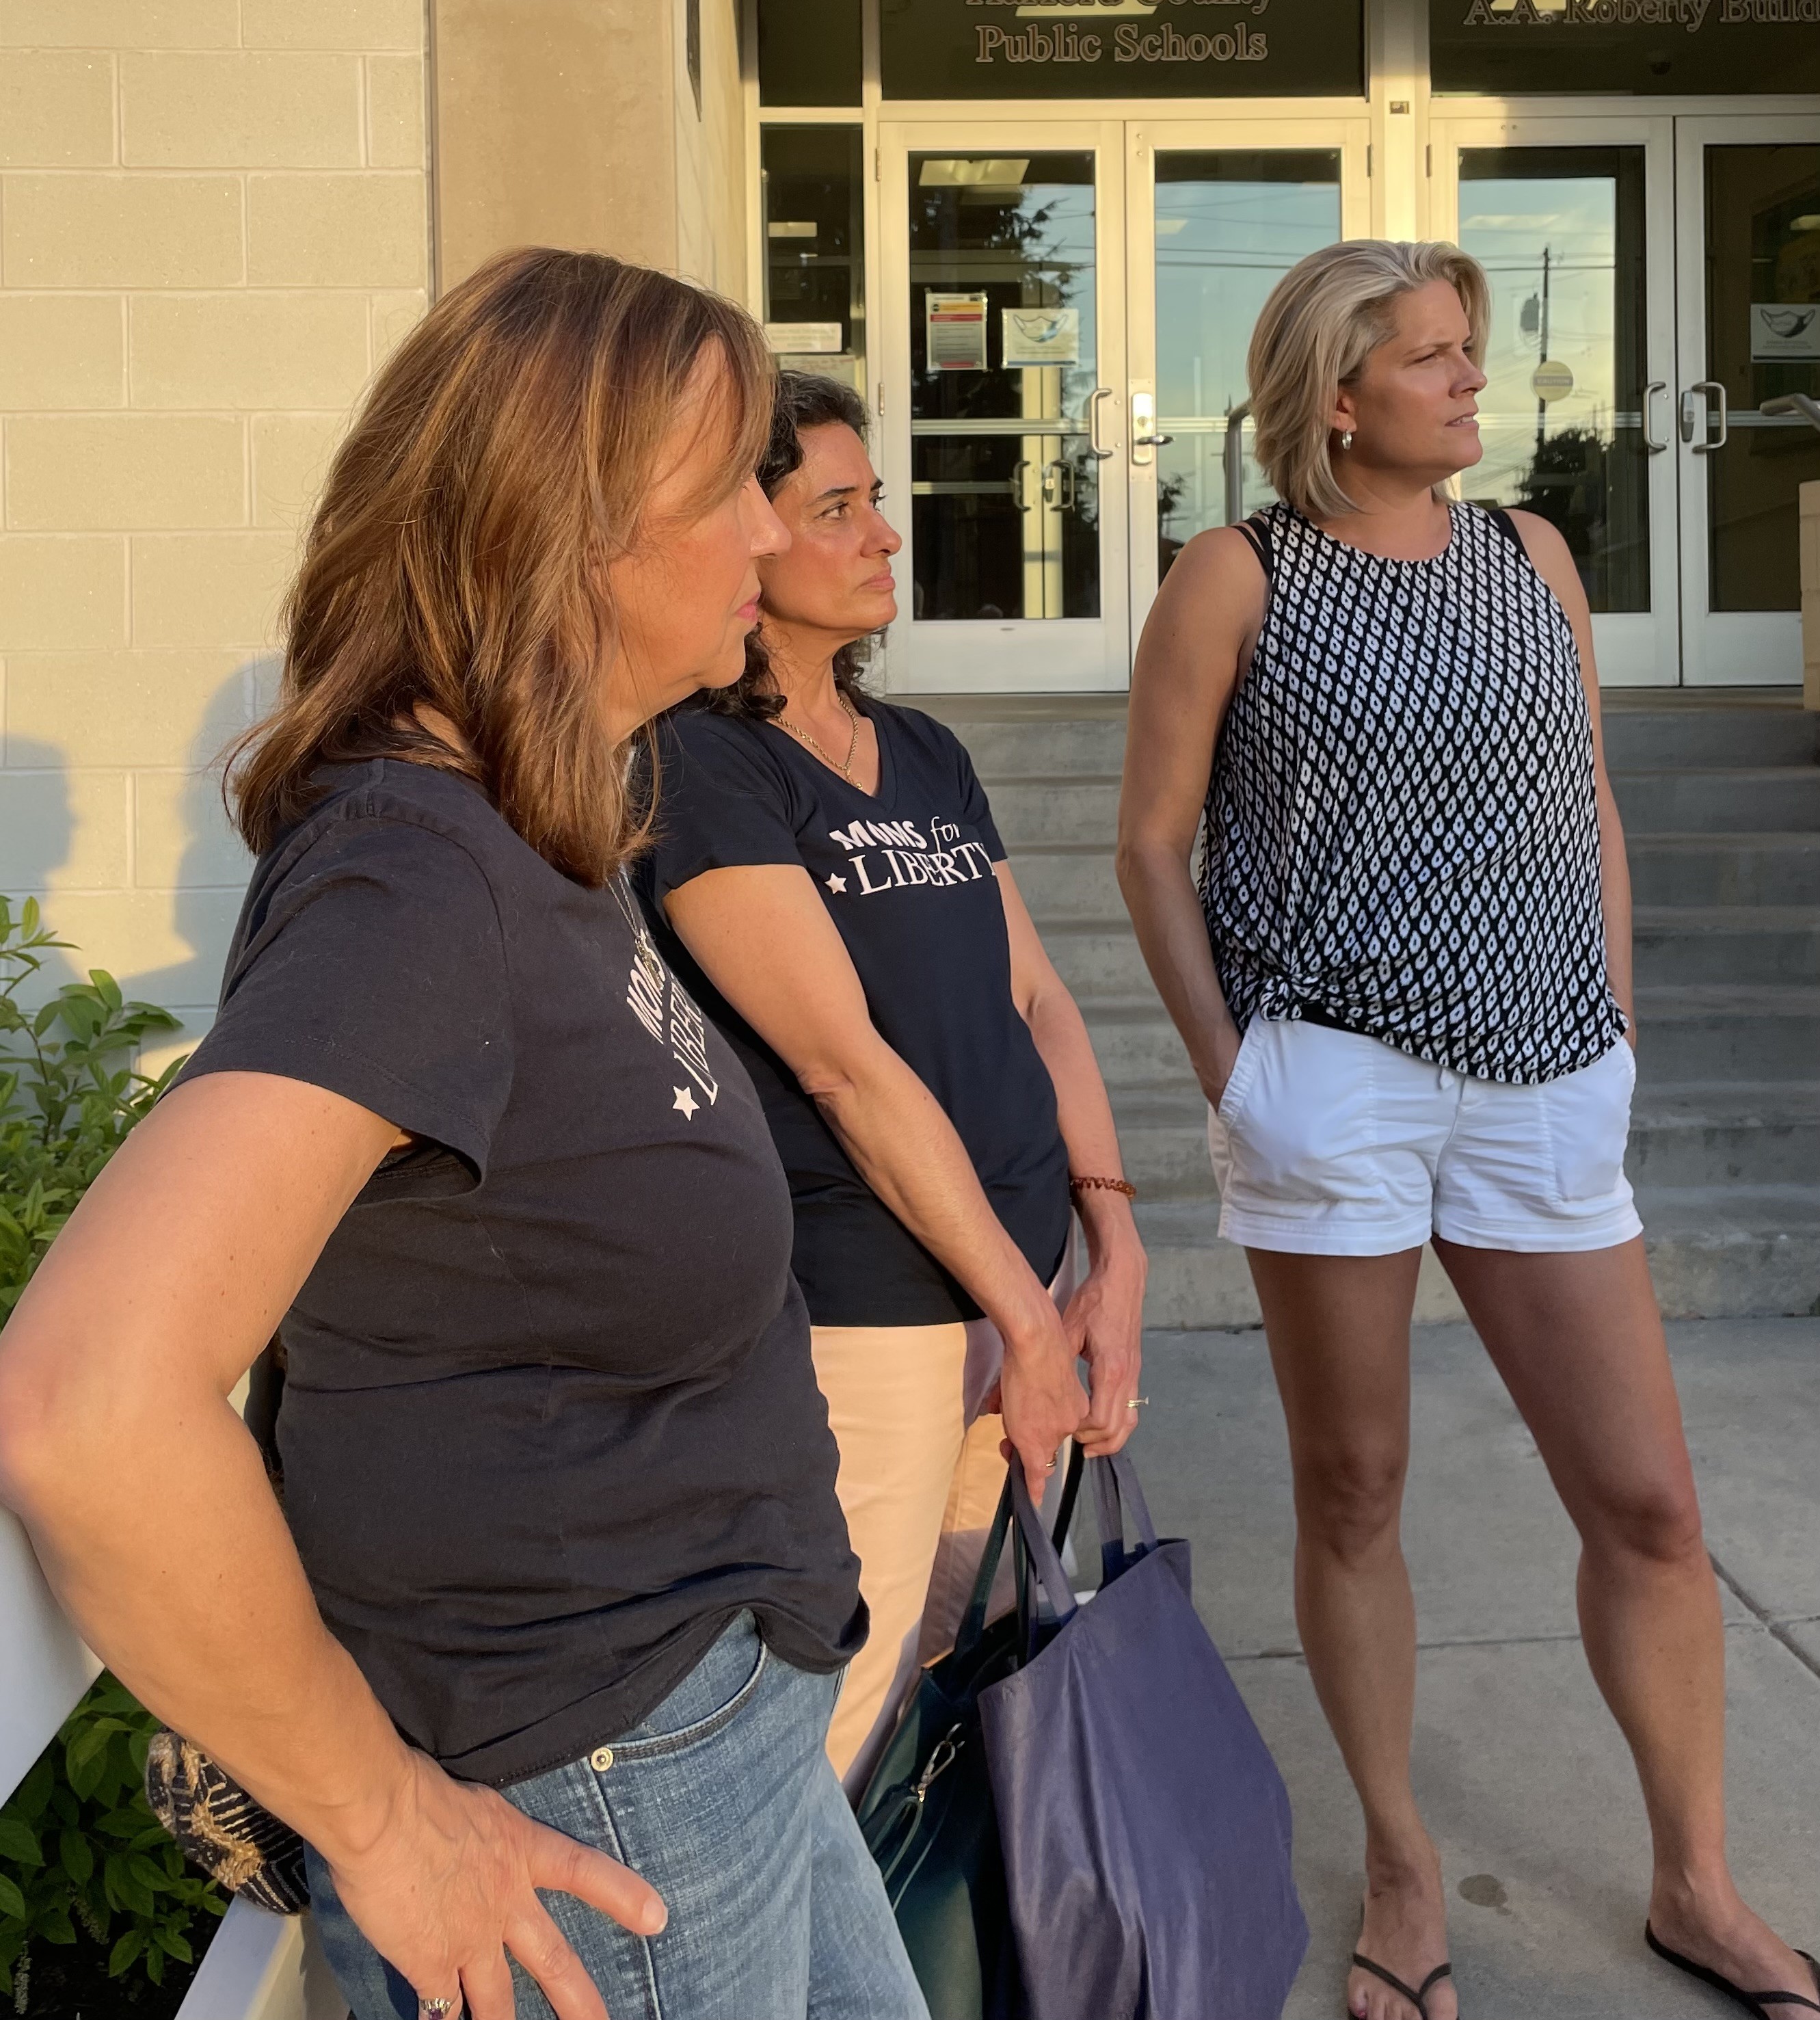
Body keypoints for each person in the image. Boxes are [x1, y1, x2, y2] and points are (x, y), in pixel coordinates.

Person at [0, 252, 931, 2020]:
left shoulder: (528, 826)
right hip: (588, 1798)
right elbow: (88, 1403)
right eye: (728, 489)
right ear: (566, 537)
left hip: (709, 1716)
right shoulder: (415, 881)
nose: (769, 531)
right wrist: (378, 1818)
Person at [1116, 239, 1818, 2020]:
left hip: (1545, 1075)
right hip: (1331, 1078)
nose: (1468, 380)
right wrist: (1233, 1071)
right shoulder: (1235, 572)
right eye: (1429, 356)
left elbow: (1583, 792)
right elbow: (1149, 839)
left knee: (1646, 1502)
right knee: (1353, 1486)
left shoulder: (1529, 553)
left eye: (1463, 349)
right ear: (1335, 396)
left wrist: (1614, 1025)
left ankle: (1695, 1884)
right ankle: (1399, 1862)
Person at [634, 371, 1147, 1792]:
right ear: (746, 539)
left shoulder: (923, 750)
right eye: (836, 509)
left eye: (876, 501)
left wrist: (1110, 1247)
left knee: (950, 1651)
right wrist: (1021, 1320)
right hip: (875, 1299)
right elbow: (840, 1065)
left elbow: (1036, 998)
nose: (883, 536)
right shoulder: (700, 766)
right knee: (842, 1695)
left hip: (1019, 1279)